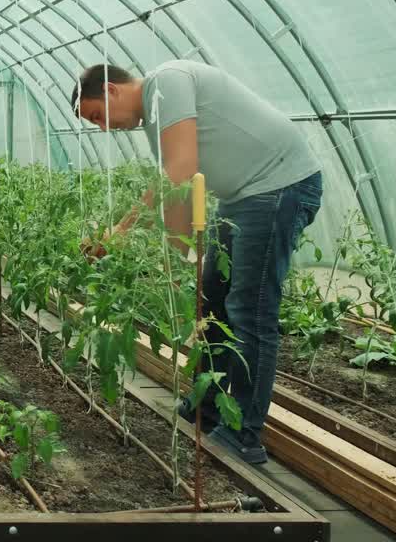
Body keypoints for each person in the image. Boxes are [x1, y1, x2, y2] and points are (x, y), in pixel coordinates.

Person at [70, 60, 323, 464]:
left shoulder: (166, 83)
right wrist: (180, 264)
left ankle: (243, 434)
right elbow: (178, 199)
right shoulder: (157, 119)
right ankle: (208, 406)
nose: (103, 128)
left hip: (278, 188)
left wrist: (118, 232)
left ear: (112, 89)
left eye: (98, 116)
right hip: (242, 198)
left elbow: (181, 170)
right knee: (212, 303)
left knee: (249, 311)